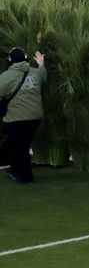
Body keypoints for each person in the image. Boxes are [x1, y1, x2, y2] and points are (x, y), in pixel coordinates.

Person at [0, 47, 46, 184]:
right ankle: (14, 169)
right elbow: (43, 74)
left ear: (10, 61)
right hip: (35, 117)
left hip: (17, 119)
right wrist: (41, 63)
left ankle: (26, 177)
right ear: (25, 58)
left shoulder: (5, 77)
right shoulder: (35, 73)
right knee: (18, 145)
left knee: (20, 147)